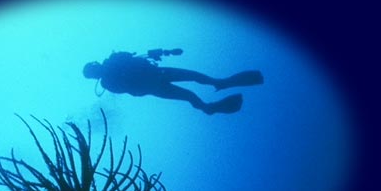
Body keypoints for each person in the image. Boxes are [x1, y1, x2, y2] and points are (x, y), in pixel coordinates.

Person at [83, 48, 263, 114]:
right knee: (190, 94)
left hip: (157, 76)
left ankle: (220, 84)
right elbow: (129, 88)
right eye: (93, 69)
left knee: (196, 77)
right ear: (94, 73)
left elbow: (139, 56)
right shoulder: (108, 81)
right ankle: (208, 107)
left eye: (93, 67)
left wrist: (163, 51)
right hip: (155, 84)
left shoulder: (113, 60)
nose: (97, 68)